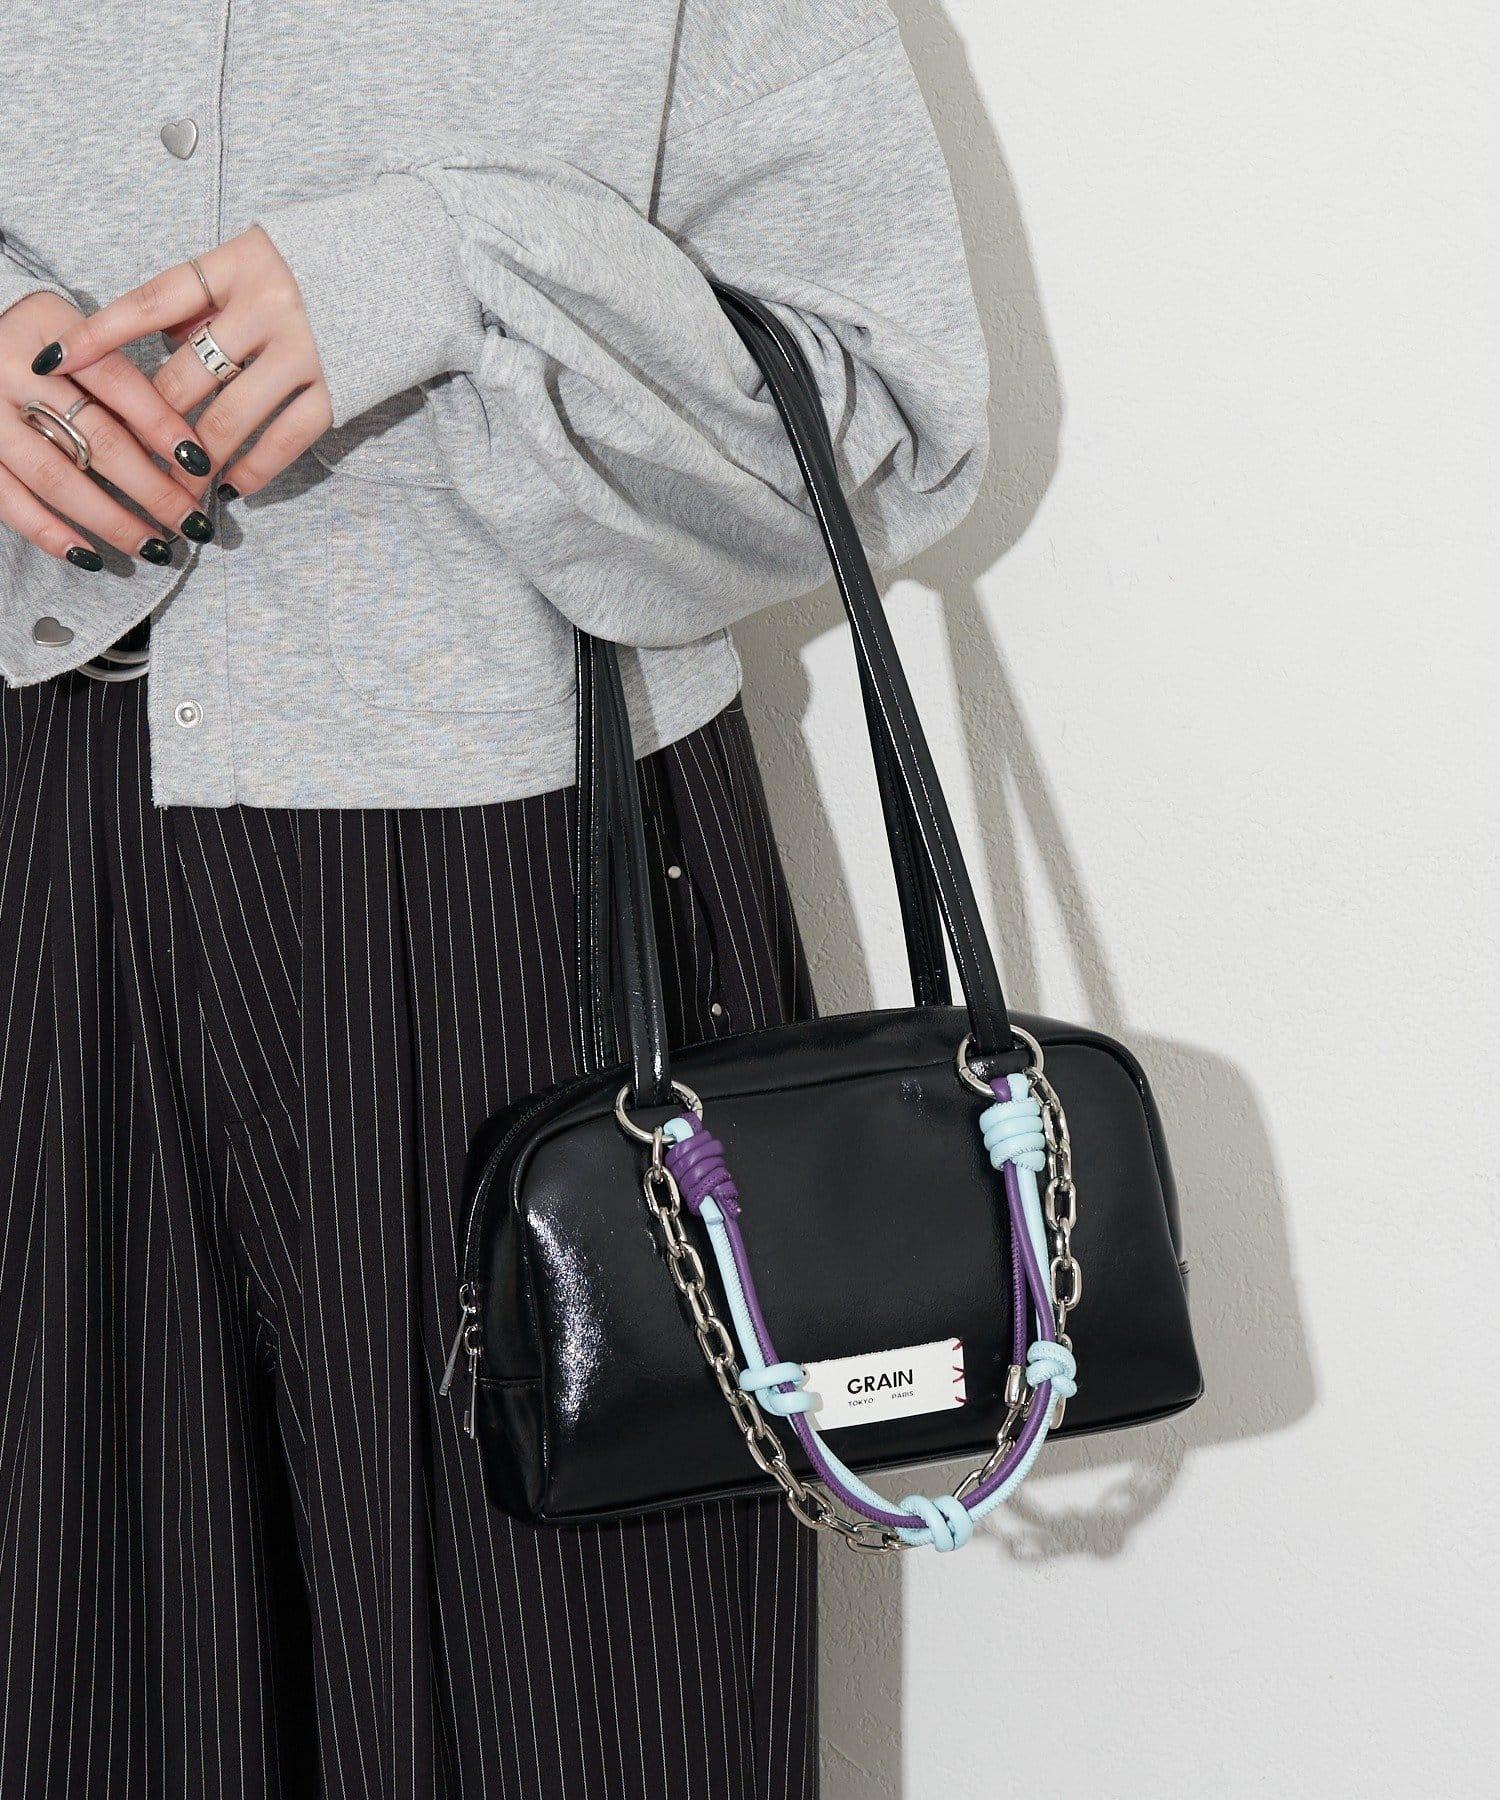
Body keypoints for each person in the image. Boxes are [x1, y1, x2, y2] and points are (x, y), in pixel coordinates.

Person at [0, 2, 987, 1793]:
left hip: (524, 891)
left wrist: (461, 269)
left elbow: (888, 417)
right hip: (34, 840)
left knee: (570, 1717)